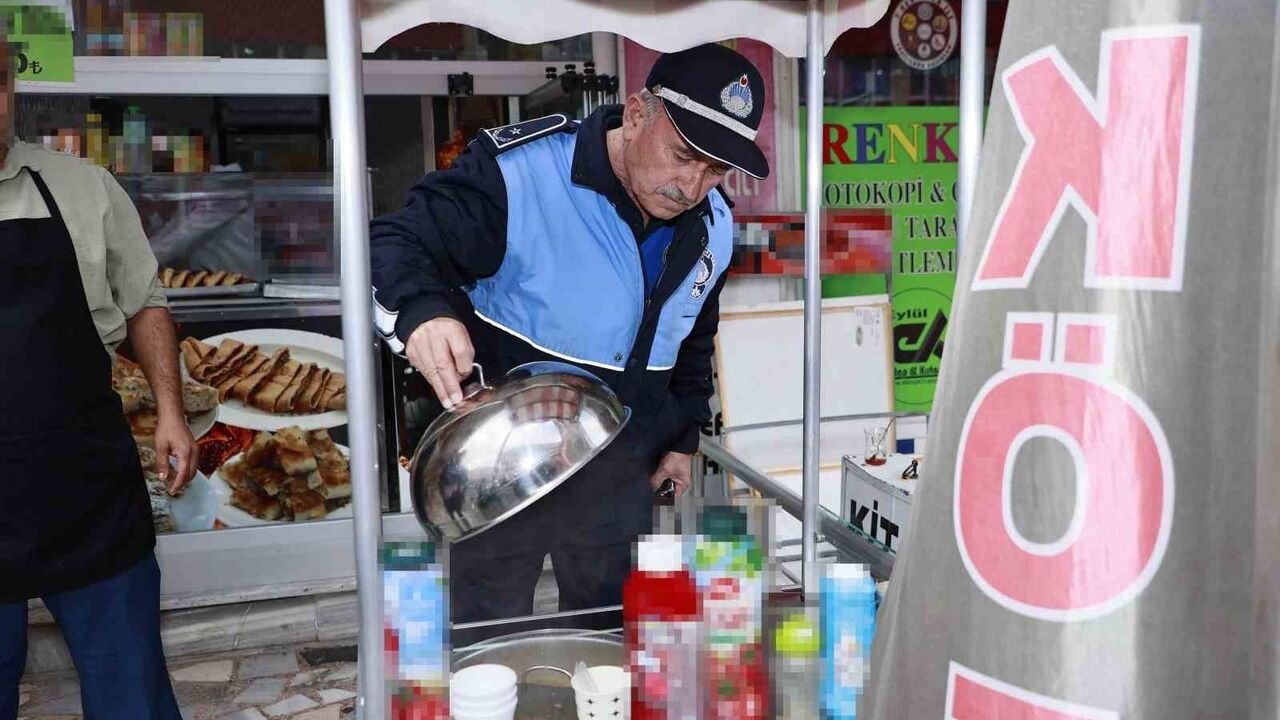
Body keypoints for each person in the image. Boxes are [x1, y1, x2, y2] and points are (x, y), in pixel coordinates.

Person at [371, 43, 769, 621]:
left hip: (623, 465)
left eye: (715, 170)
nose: (692, 187)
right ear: (637, 113)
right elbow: (398, 239)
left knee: (612, 632)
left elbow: (692, 337)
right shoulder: (521, 173)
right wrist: (422, 312)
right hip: (504, 465)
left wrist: (682, 439)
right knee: (487, 631)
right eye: (683, 156)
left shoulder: (715, 224)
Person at [0, 38, 196, 718]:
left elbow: (145, 303)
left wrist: (170, 411)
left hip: (83, 488)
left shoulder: (84, 187)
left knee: (129, 692)